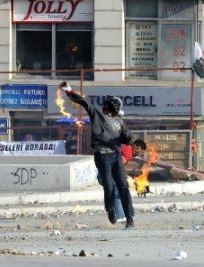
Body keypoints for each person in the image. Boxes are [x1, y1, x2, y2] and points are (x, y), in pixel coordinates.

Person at [59, 81, 135, 229]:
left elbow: (128, 138)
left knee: (123, 186)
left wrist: (128, 137)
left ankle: (130, 219)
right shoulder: (97, 115)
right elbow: (83, 102)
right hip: (102, 156)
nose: (107, 108)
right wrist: (68, 90)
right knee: (108, 186)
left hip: (116, 156)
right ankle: (111, 210)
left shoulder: (119, 122)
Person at [114, 139, 147, 222]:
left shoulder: (126, 148)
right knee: (118, 194)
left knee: (118, 194)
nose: (140, 154)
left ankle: (119, 215)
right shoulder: (128, 151)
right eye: (141, 151)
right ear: (137, 147)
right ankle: (120, 217)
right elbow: (119, 165)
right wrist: (129, 175)